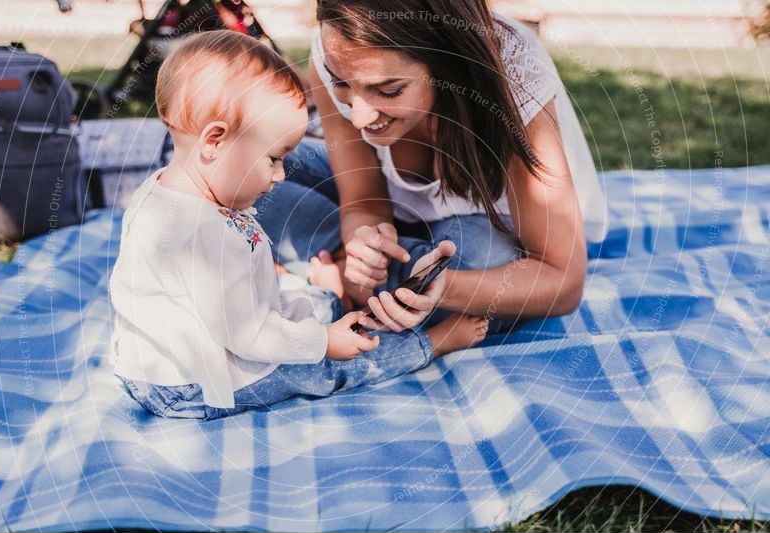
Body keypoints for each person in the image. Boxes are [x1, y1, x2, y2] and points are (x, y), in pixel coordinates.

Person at [108, 30, 488, 421]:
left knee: (312, 313)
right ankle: (431, 342)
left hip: (155, 367)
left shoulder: (163, 193)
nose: (280, 174)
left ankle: (334, 294)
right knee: (327, 367)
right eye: (273, 158)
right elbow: (249, 336)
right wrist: (322, 342)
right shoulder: (203, 233)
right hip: (193, 386)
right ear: (215, 141)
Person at [255, 0, 609, 335]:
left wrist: (444, 287)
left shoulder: (512, 72)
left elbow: (562, 281)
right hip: (399, 220)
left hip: (491, 241)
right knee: (245, 168)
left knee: (474, 259)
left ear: (447, 64)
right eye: (342, 84)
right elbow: (364, 202)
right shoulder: (339, 54)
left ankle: (347, 280)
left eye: (388, 90)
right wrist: (364, 242)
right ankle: (372, 277)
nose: (359, 116)